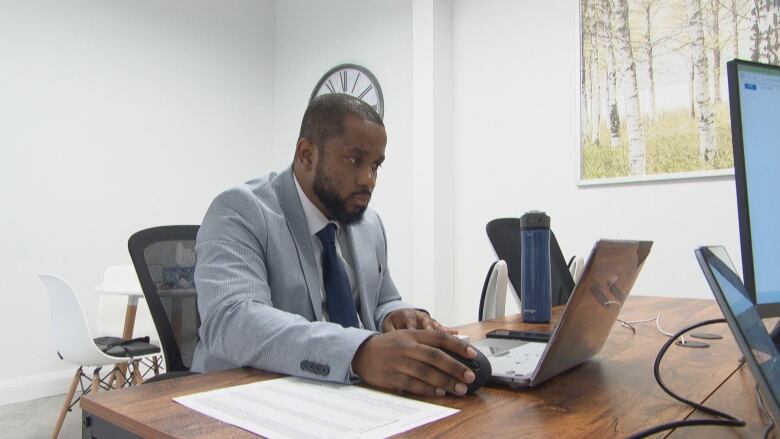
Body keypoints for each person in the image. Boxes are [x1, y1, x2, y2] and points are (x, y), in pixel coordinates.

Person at [192, 93, 476, 396]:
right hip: (240, 394)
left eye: (376, 165)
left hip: (342, 395)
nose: (369, 180)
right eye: (355, 161)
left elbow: (384, 299)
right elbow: (232, 321)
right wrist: (359, 353)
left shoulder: (369, 223)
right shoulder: (240, 210)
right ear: (306, 154)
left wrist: (397, 314)